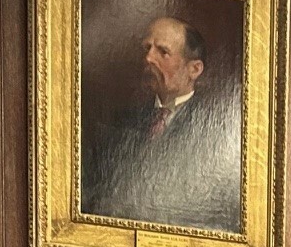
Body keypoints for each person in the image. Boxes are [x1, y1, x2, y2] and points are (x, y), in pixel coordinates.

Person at [81, 14, 243, 233]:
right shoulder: (121, 123)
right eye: (147, 48)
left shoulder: (217, 133)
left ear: (194, 69)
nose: (148, 58)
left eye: (163, 52)